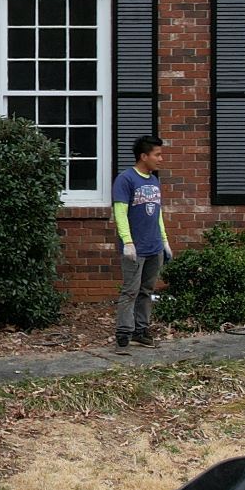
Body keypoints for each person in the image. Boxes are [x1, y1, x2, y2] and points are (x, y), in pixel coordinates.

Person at [112, 133, 169, 349]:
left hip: (154, 246)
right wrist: (127, 242)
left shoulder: (154, 180)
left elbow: (158, 212)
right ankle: (124, 332)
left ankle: (141, 330)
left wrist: (164, 240)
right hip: (135, 249)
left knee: (147, 291)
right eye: (157, 155)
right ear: (144, 156)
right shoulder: (126, 179)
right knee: (130, 290)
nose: (160, 159)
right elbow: (120, 211)